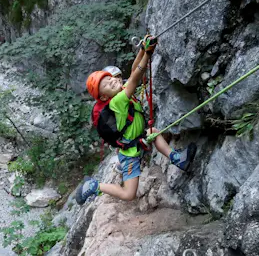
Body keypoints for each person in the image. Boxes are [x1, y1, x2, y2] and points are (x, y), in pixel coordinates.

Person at [76, 37, 197, 205]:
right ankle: (95, 185)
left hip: (137, 139)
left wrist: (141, 50)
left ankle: (178, 159)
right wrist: (147, 54)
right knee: (129, 194)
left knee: (153, 132)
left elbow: (133, 70)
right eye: (107, 84)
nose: (113, 81)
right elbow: (135, 77)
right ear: (104, 96)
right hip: (130, 152)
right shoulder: (117, 101)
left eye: (110, 78)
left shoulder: (120, 91)